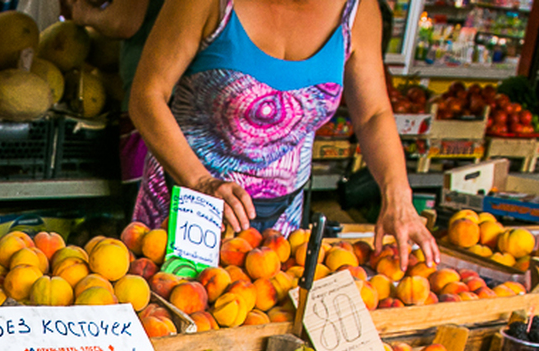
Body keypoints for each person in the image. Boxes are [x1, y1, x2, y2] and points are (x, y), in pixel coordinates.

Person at [129, 0, 438, 268]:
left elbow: (373, 115)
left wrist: (398, 195)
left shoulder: (357, 12)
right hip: (187, 205)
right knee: (180, 320)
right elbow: (147, 95)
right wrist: (200, 181)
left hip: (281, 223)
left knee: (269, 324)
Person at [62, 0, 165, 193]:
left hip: (155, 108)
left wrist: (85, 14)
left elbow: (123, 22)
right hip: (171, 105)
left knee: (147, 217)